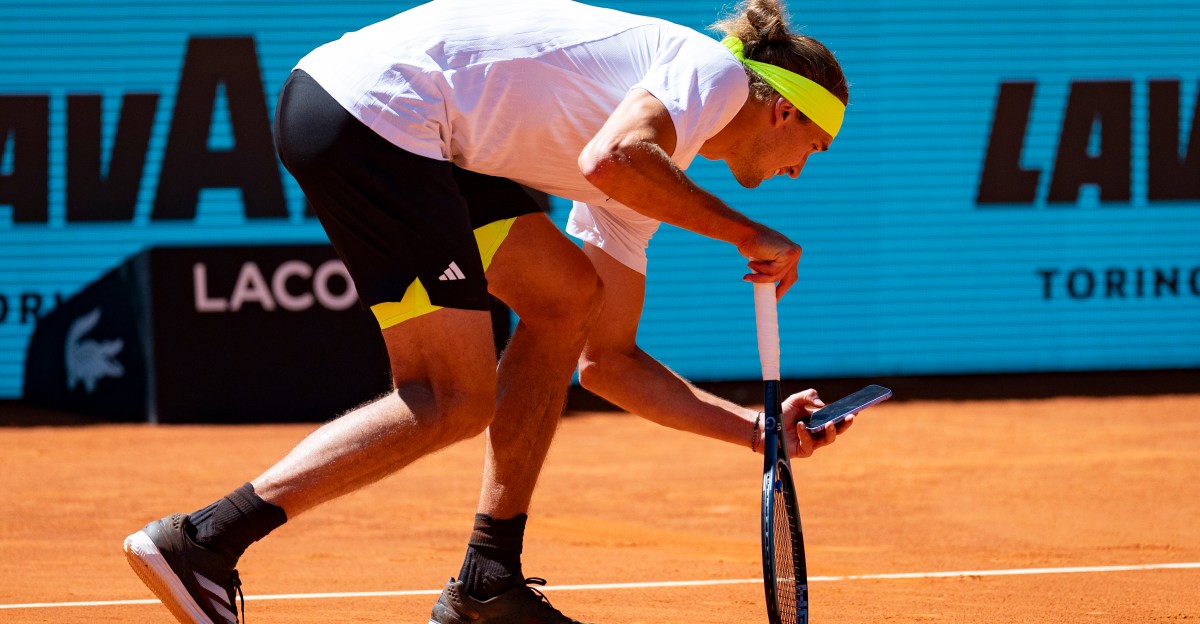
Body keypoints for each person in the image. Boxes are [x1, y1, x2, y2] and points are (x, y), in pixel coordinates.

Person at [122, 0, 853, 622]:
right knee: (452, 397)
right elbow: (610, 159)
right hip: (374, 115)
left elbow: (608, 362)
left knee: (566, 299)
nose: (799, 169)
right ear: (783, 110)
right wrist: (745, 233)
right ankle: (205, 540)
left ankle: (489, 581)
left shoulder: (656, 157)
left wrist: (755, 430)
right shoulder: (716, 75)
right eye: (812, 147)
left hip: (399, 126)